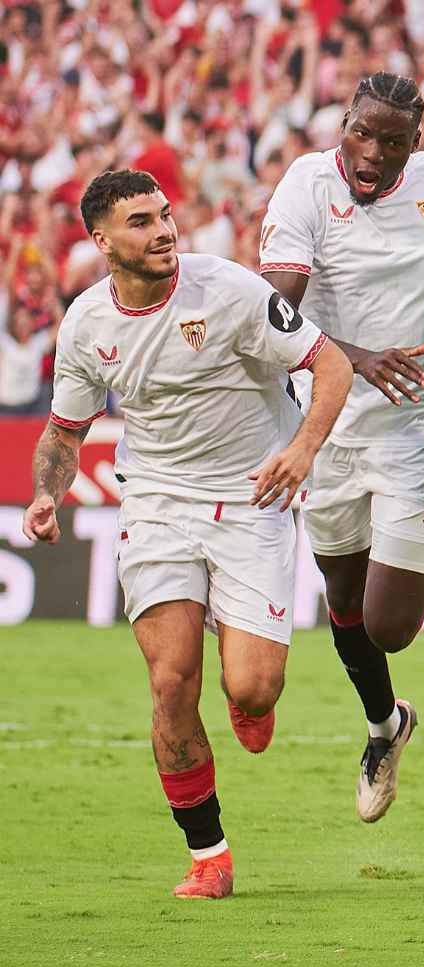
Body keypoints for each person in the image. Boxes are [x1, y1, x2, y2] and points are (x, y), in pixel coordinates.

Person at [23, 169, 352, 898]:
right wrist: (47, 492)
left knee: (255, 688)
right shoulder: (86, 324)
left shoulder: (230, 291)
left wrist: (301, 451)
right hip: (158, 505)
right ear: (102, 240)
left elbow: (329, 364)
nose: (164, 230)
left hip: (251, 500)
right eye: (141, 221)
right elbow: (63, 431)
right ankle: (210, 854)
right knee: (171, 680)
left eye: (166, 215)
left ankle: (246, 691)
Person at [260, 73, 424, 823]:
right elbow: (275, 308)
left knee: (389, 624)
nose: (373, 152)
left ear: (415, 144)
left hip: (418, 430)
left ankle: (389, 717)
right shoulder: (303, 185)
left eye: (393, 141)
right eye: (362, 132)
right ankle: (385, 727)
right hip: (325, 424)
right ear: (344, 123)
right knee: (343, 601)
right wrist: (350, 355)